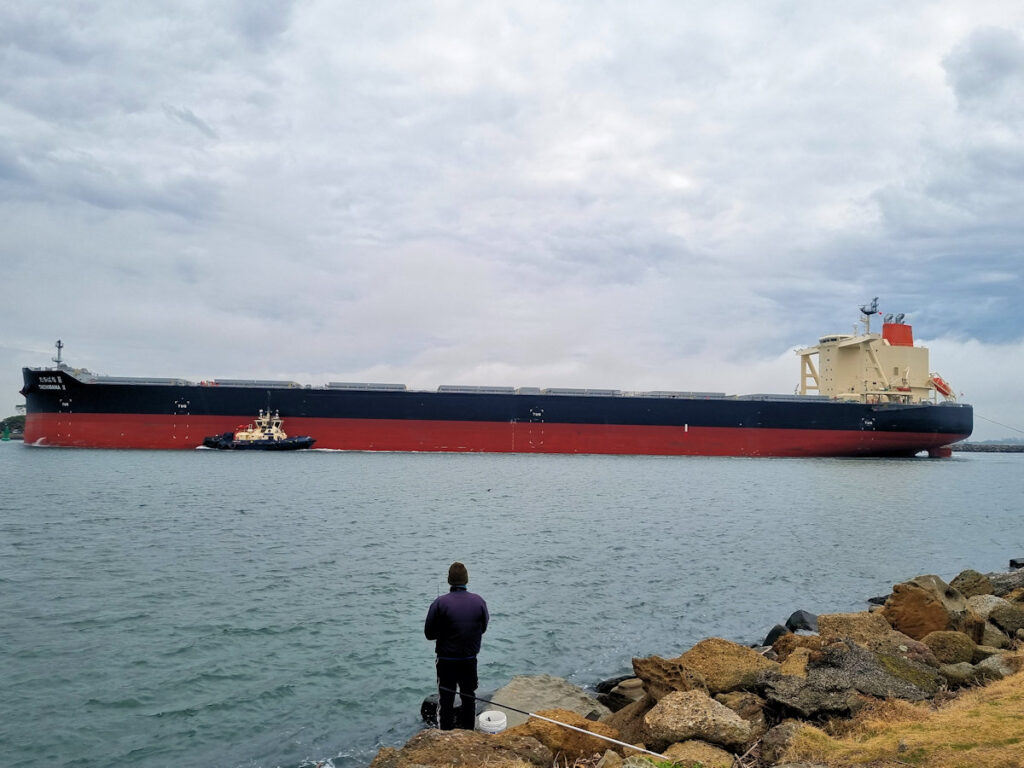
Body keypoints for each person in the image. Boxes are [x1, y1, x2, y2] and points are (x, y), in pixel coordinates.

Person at [424, 561, 489, 730]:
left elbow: (429, 634)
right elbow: (483, 628)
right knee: (469, 697)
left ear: (449, 580)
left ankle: (445, 735)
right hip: (469, 659)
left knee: (446, 699)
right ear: (466, 579)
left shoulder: (439, 603)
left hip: (446, 661)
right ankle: (468, 732)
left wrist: (445, 632)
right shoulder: (479, 601)